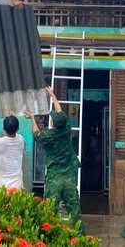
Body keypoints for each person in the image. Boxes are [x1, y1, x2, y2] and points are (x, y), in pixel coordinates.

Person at [24, 86, 85, 235]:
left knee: (50, 212)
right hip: (69, 177)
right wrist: (53, 95)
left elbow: (35, 133)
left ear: (52, 123)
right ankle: (80, 239)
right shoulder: (66, 130)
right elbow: (60, 113)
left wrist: (32, 118)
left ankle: (49, 239)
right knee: (74, 211)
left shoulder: (46, 136)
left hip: (54, 179)